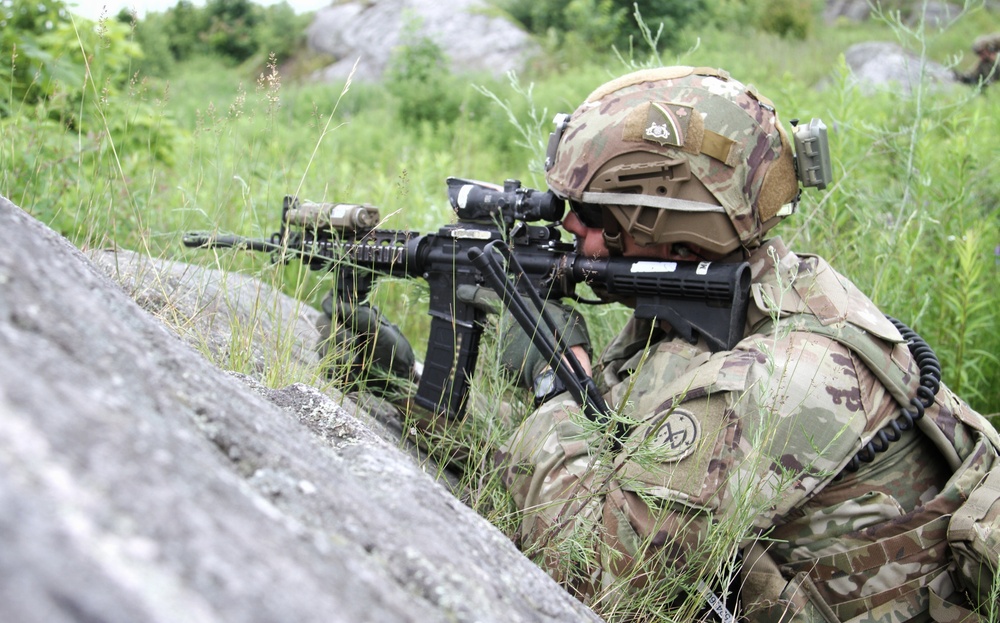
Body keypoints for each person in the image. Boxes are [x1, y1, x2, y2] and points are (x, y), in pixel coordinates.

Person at [322, 66, 1000, 622]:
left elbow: (594, 575)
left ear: (669, 214)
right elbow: (619, 464)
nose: (575, 236)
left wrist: (555, 385)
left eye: (590, 216)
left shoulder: (775, 375)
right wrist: (403, 380)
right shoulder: (750, 293)